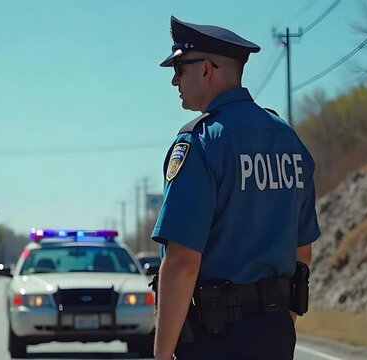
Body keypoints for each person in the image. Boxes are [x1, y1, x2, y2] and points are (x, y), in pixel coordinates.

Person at [150, 16, 320, 360]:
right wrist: (278, 323)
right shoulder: (289, 140)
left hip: (215, 340)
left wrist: (162, 354)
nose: (174, 80)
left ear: (207, 70)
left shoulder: (200, 143)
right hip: (275, 336)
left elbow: (183, 261)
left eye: (180, 68)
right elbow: (302, 251)